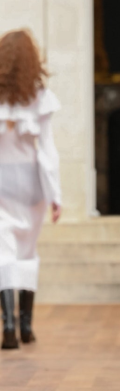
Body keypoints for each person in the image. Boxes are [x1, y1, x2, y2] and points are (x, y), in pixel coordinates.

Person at [0, 29, 61, 349]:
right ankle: (26, 326)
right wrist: (55, 196)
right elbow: (47, 151)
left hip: (2, 179)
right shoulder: (38, 95)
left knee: (4, 252)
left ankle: (8, 325)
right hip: (32, 182)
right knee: (27, 251)